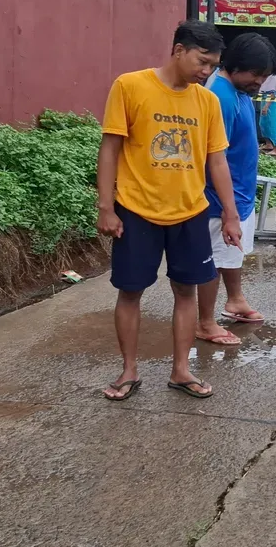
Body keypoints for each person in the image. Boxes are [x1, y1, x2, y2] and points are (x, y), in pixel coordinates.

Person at [97, 20, 241, 402]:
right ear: (178, 50)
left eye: (213, 65)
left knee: (186, 291)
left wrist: (230, 214)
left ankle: (181, 370)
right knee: (130, 291)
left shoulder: (207, 101)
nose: (207, 71)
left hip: (191, 211)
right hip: (136, 210)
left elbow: (218, 161)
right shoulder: (130, 86)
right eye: (202, 61)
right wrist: (106, 206)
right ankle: (128, 371)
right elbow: (110, 148)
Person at [197, 33, 276, 346]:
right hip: (220, 202)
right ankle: (205, 322)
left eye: (265, 76)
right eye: (256, 75)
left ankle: (235, 300)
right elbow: (212, 159)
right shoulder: (220, 97)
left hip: (238, 195)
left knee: (232, 255)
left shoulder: (238, 91)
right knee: (214, 262)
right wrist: (228, 209)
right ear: (235, 66)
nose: (259, 82)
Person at [258, 70, 276, 156]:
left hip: (272, 103)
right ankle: (268, 144)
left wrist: (266, 106)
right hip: (265, 99)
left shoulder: (274, 77)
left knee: (273, 125)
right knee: (263, 123)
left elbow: (273, 94)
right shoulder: (267, 76)